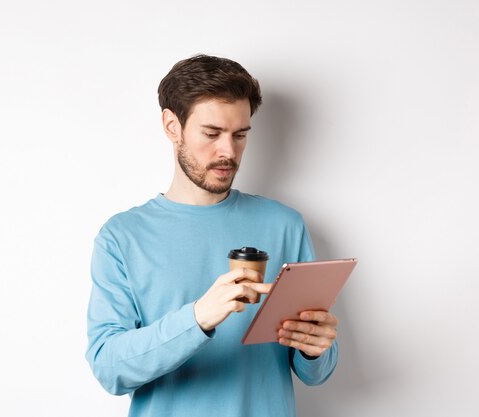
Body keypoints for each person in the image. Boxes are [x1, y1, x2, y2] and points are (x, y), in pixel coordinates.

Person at [86, 54, 340, 417]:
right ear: (172, 126)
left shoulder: (285, 224)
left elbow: (316, 373)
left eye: (240, 135)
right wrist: (198, 317)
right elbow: (109, 370)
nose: (228, 151)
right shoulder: (122, 237)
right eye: (212, 133)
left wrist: (315, 348)